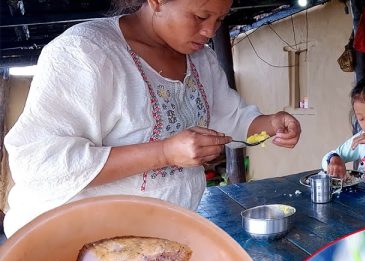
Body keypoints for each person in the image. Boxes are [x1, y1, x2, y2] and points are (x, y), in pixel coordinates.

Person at [3, 0, 301, 237]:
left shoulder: (202, 60)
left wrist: (270, 124)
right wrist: (164, 152)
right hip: (71, 243)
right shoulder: (86, 52)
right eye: (200, 16)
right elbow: (40, 163)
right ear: (157, 1)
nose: (210, 31)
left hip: (158, 241)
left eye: (220, 19)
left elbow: (231, 118)